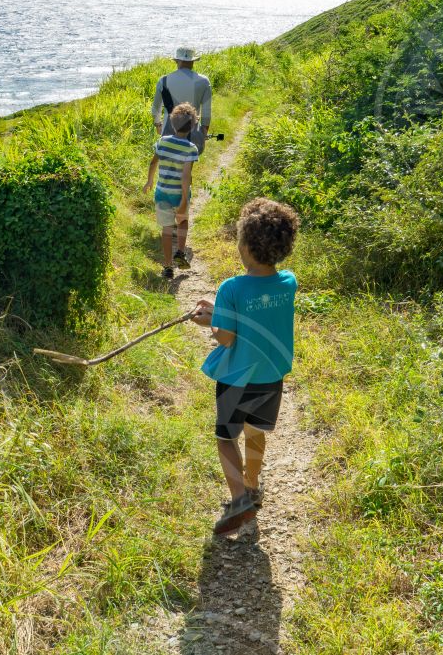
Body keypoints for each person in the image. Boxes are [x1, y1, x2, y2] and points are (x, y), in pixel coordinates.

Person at [190, 197, 300, 537]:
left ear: (248, 246)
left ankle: (239, 499)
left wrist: (209, 319)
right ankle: (252, 485)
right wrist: (220, 308)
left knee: (226, 438)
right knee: (255, 432)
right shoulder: (289, 282)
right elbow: (256, 311)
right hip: (271, 377)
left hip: (237, 378)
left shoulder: (232, 287)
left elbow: (225, 337)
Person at [152, 47, 212, 267]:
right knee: (187, 171)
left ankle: (169, 214)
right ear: (193, 62)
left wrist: (159, 126)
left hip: (169, 128)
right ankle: (182, 209)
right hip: (192, 132)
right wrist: (203, 132)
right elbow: (206, 112)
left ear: (177, 61)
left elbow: (155, 109)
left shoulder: (164, 80)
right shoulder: (203, 81)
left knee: (166, 167)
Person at [144, 102, 201, 280]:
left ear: (172, 123)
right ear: (193, 125)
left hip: (162, 193)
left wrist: (149, 181)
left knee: (167, 229)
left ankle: (168, 266)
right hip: (179, 194)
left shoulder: (162, 142)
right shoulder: (191, 149)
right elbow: (186, 177)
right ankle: (181, 252)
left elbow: (153, 162)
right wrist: (184, 200)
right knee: (182, 222)